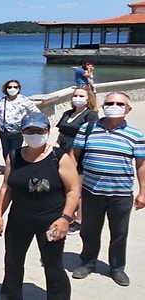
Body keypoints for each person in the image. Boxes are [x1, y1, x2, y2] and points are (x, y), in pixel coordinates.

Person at [0, 112, 80, 300]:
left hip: (51, 222)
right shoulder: (14, 156)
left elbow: (73, 190)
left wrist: (65, 218)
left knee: (53, 265)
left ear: (47, 131)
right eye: (29, 130)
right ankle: (10, 295)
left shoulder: (59, 157)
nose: (34, 134)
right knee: (13, 262)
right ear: (22, 133)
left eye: (38, 130)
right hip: (19, 221)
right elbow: (6, 187)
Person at [70, 92, 145, 287]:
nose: (114, 106)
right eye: (109, 103)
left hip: (121, 194)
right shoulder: (87, 128)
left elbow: (141, 165)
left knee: (119, 232)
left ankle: (117, 268)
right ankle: (87, 262)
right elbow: (73, 157)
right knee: (89, 230)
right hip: (91, 191)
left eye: (119, 103)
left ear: (128, 109)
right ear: (103, 106)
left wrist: (143, 192)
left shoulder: (136, 135)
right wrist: (71, 187)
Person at [55, 86, 99, 235]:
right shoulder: (67, 113)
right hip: (64, 153)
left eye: (81, 96)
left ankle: (79, 220)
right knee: (64, 185)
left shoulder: (91, 116)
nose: (77, 98)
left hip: (80, 155)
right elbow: (61, 132)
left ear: (88, 99)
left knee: (77, 188)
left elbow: (92, 136)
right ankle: (68, 214)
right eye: (75, 95)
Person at [0, 79, 41, 160]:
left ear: (19, 88)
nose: (12, 89)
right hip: (3, 131)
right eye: (10, 87)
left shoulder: (24, 100)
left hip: (18, 131)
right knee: (5, 151)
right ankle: (9, 168)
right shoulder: (1, 100)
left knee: (15, 151)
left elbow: (36, 112)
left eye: (15, 87)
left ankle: (14, 169)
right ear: (6, 88)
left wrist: (30, 125)